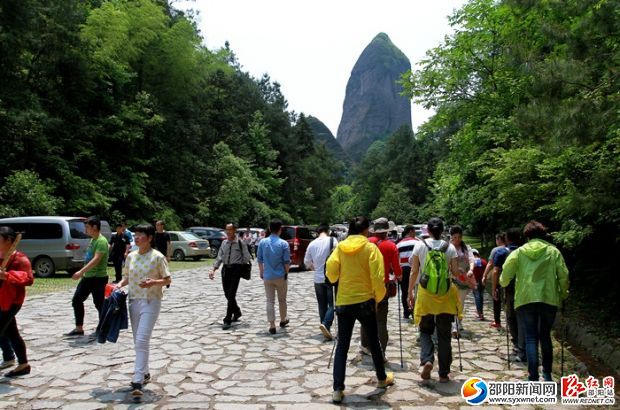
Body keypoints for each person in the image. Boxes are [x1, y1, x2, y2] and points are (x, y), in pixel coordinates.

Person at [326, 216, 394, 404]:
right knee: (374, 341)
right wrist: (378, 297)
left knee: (342, 346)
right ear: (366, 230)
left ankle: (337, 389)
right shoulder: (371, 248)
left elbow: (331, 272)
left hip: (345, 301)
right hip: (365, 301)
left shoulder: (340, 248)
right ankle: (381, 379)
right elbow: (378, 276)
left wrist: (337, 278)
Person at [500, 220, 569, 381]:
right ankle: (547, 374)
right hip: (548, 298)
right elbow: (564, 275)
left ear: (527, 236)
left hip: (525, 299)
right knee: (545, 336)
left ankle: (533, 376)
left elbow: (505, 274)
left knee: (531, 337)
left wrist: (503, 283)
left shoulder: (519, 252)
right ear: (543, 234)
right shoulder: (553, 252)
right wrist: (563, 294)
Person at [115, 224, 171, 397]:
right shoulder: (131, 256)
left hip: (151, 301)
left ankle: (137, 379)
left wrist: (153, 282)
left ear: (150, 238)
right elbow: (126, 277)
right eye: (136, 235)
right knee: (138, 340)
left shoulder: (157, 257)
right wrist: (118, 285)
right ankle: (145, 372)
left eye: (141, 235)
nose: (137, 238)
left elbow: (168, 279)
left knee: (141, 338)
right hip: (133, 301)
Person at [409, 217, 461, 382]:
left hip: (425, 295)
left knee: (425, 331)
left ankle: (427, 360)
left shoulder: (420, 245)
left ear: (429, 231)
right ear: (442, 230)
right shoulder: (450, 247)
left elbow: (414, 271)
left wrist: (409, 291)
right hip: (445, 296)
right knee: (444, 335)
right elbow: (454, 272)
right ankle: (444, 373)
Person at [361, 217, 402, 357]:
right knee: (381, 320)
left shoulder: (365, 243)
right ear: (387, 231)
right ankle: (381, 350)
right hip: (382, 286)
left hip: (366, 285)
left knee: (366, 316)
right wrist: (398, 277)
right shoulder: (391, 246)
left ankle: (365, 345)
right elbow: (397, 270)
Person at [66, 216, 109, 337]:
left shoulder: (101, 241)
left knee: (99, 303)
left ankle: (103, 327)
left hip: (98, 278)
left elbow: (96, 259)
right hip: (89, 277)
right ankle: (79, 328)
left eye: (87, 227)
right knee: (77, 300)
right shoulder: (93, 240)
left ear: (95, 227)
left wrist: (80, 272)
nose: (85, 230)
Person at [0, 226, 34, 377]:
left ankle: (17, 361)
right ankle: (23, 364)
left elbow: (28, 279)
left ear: (8, 240)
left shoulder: (19, 259)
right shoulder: (1, 256)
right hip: (1, 300)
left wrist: (7, 276)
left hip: (12, 301)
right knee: (12, 332)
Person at [209, 223, 252, 330]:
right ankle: (237, 311)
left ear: (234, 230)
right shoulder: (224, 243)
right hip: (225, 270)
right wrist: (213, 270)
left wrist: (238, 264)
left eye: (230, 229)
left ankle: (227, 319)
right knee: (227, 293)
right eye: (226, 229)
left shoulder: (240, 243)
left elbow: (247, 257)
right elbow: (219, 257)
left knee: (231, 294)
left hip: (235, 270)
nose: (228, 232)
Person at [495, 228, 525, 362]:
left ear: (506, 238)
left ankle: (517, 344)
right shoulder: (524, 252)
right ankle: (524, 346)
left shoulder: (502, 252)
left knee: (511, 317)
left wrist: (495, 287)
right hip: (524, 288)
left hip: (508, 289)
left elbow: (496, 271)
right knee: (522, 318)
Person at [303, 224, 338, 340]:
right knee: (332, 304)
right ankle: (326, 324)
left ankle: (324, 326)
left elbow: (306, 262)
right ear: (327, 231)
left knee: (321, 304)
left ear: (317, 232)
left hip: (317, 278)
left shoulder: (312, 244)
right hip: (330, 278)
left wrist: (315, 268)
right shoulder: (333, 241)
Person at [257, 219, 291, 334]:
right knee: (282, 300)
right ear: (280, 229)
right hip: (280, 275)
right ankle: (283, 319)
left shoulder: (262, 242)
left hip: (267, 276)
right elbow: (286, 262)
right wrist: (286, 273)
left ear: (270, 229)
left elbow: (259, 259)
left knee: (270, 300)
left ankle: (272, 324)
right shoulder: (284, 244)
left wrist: (261, 272)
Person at [449, 226, 475, 337]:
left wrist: (471, 270)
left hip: (464, 279)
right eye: (455, 237)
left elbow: (471, 260)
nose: (457, 239)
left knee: (461, 302)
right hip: (451, 278)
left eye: (459, 237)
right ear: (451, 237)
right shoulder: (448, 248)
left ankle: (459, 321)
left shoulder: (466, 248)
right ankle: (454, 325)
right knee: (453, 302)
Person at [482, 233, 506, 328]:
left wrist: (484, 275)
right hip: (511, 278)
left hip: (498, 278)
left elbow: (490, 263)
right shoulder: (511, 249)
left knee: (496, 298)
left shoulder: (496, 250)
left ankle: (497, 321)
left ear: (499, 239)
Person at [396, 225, 419, 320]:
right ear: (411, 231)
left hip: (403, 269)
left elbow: (397, 260)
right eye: (414, 231)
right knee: (416, 290)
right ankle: (415, 311)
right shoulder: (418, 242)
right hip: (416, 269)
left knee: (404, 292)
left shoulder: (398, 244)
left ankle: (406, 311)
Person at [471, 249, 488, 320]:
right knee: (481, 297)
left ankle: (480, 314)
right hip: (482, 282)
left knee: (477, 298)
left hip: (475, 282)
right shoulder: (484, 261)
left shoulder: (472, 262)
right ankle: (481, 313)